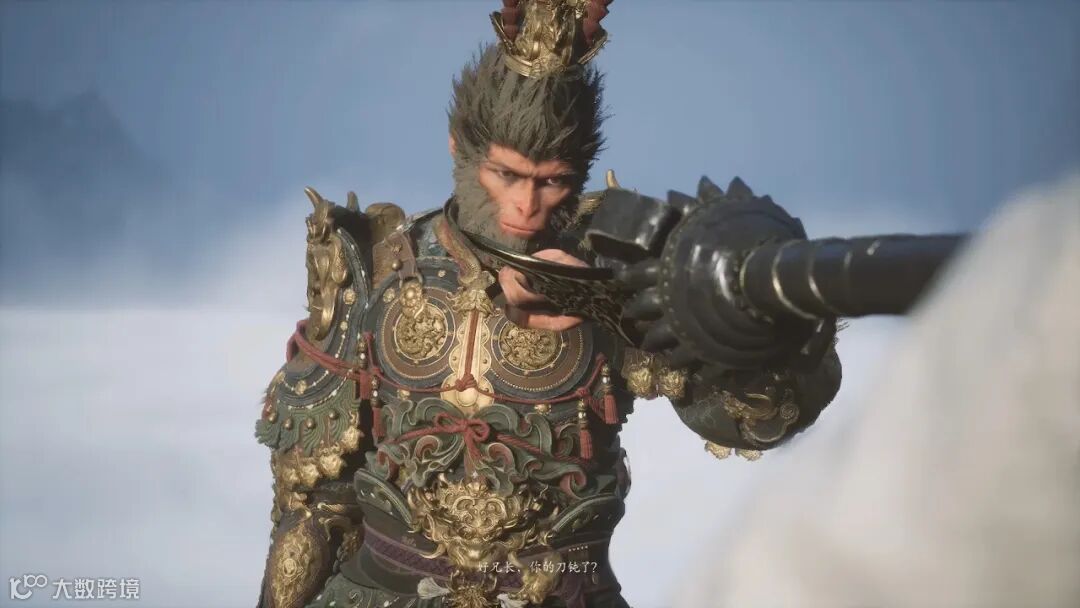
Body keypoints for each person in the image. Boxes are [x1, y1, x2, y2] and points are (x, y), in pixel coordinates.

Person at [254, 2, 841, 607]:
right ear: (459, 150)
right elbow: (311, 498)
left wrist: (619, 307)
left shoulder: (618, 268)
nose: (526, 205)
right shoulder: (377, 267)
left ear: (578, 175)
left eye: (551, 180)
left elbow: (765, 412)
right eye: (506, 175)